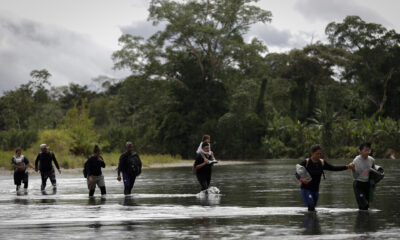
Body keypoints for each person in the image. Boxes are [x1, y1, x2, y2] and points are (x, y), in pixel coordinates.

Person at [298, 144, 353, 211]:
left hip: (315, 190)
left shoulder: (322, 162)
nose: (319, 155)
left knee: (312, 209)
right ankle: (308, 220)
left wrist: (347, 167)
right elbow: (296, 174)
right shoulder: (306, 162)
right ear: (312, 153)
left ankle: (312, 221)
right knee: (311, 206)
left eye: (320, 154)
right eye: (317, 154)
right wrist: (302, 180)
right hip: (306, 189)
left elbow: (333, 168)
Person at [351, 142, 375, 210]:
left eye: (369, 150)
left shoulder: (371, 160)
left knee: (366, 206)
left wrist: (373, 185)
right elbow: (355, 177)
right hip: (358, 184)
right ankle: (362, 219)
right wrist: (353, 169)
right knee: (364, 205)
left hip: (367, 185)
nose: (367, 152)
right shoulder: (356, 161)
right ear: (360, 151)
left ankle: (363, 220)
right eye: (366, 150)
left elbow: (373, 174)